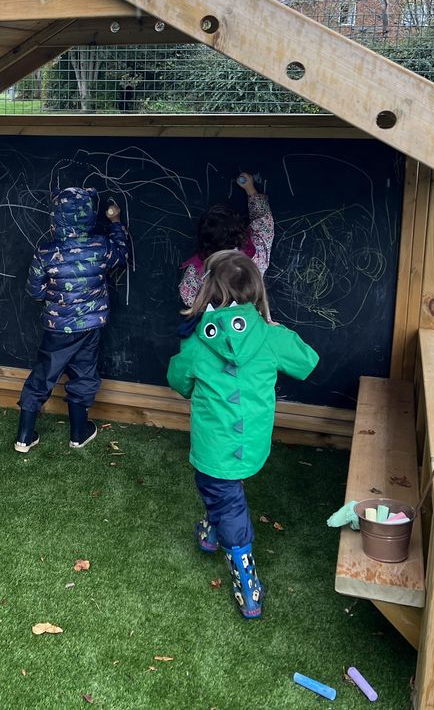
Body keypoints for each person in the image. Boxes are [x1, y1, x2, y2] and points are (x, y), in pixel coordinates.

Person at [166, 250, 318, 619]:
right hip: (252, 448)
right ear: (255, 291)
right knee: (224, 491)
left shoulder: (198, 343)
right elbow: (307, 361)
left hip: (213, 452)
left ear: (207, 293)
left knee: (227, 502)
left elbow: (177, 380)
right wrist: (278, 329)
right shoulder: (268, 336)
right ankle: (212, 530)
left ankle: (246, 580)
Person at [15, 187, 129, 453]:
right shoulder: (101, 246)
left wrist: (53, 298)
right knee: (84, 373)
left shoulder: (46, 251)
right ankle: (78, 433)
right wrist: (114, 223)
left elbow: (34, 289)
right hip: (90, 326)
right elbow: (121, 255)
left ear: (56, 217)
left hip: (57, 327)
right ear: (88, 216)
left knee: (43, 376)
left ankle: (24, 435)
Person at [178, 172, 274, 308]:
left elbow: (187, 296)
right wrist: (250, 188)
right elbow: (264, 220)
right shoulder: (257, 253)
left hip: (217, 325)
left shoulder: (199, 271)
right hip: (251, 324)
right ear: (241, 231)